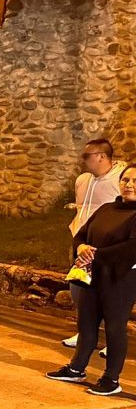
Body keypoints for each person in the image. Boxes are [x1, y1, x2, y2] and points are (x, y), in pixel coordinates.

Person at [46, 162, 136, 395]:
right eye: (126, 180)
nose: (129, 185)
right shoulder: (107, 209)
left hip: (120, 279)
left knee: (115, 328)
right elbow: (82, 233)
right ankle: (77, 369)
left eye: (135, 181)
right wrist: (82, 247)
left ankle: (111, 379)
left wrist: (93, 256)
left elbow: (131, 248)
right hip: (92, 276)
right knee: (86, 324)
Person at [62, 138, 123, 349]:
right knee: (78, 287)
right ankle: (84, 331)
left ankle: (111, 339)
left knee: (109, 292)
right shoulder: (82, 180)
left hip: (106, 246)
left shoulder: (119, 179)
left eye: (87, 156)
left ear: (102, 156)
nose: (83, 160)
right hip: (82, 242)